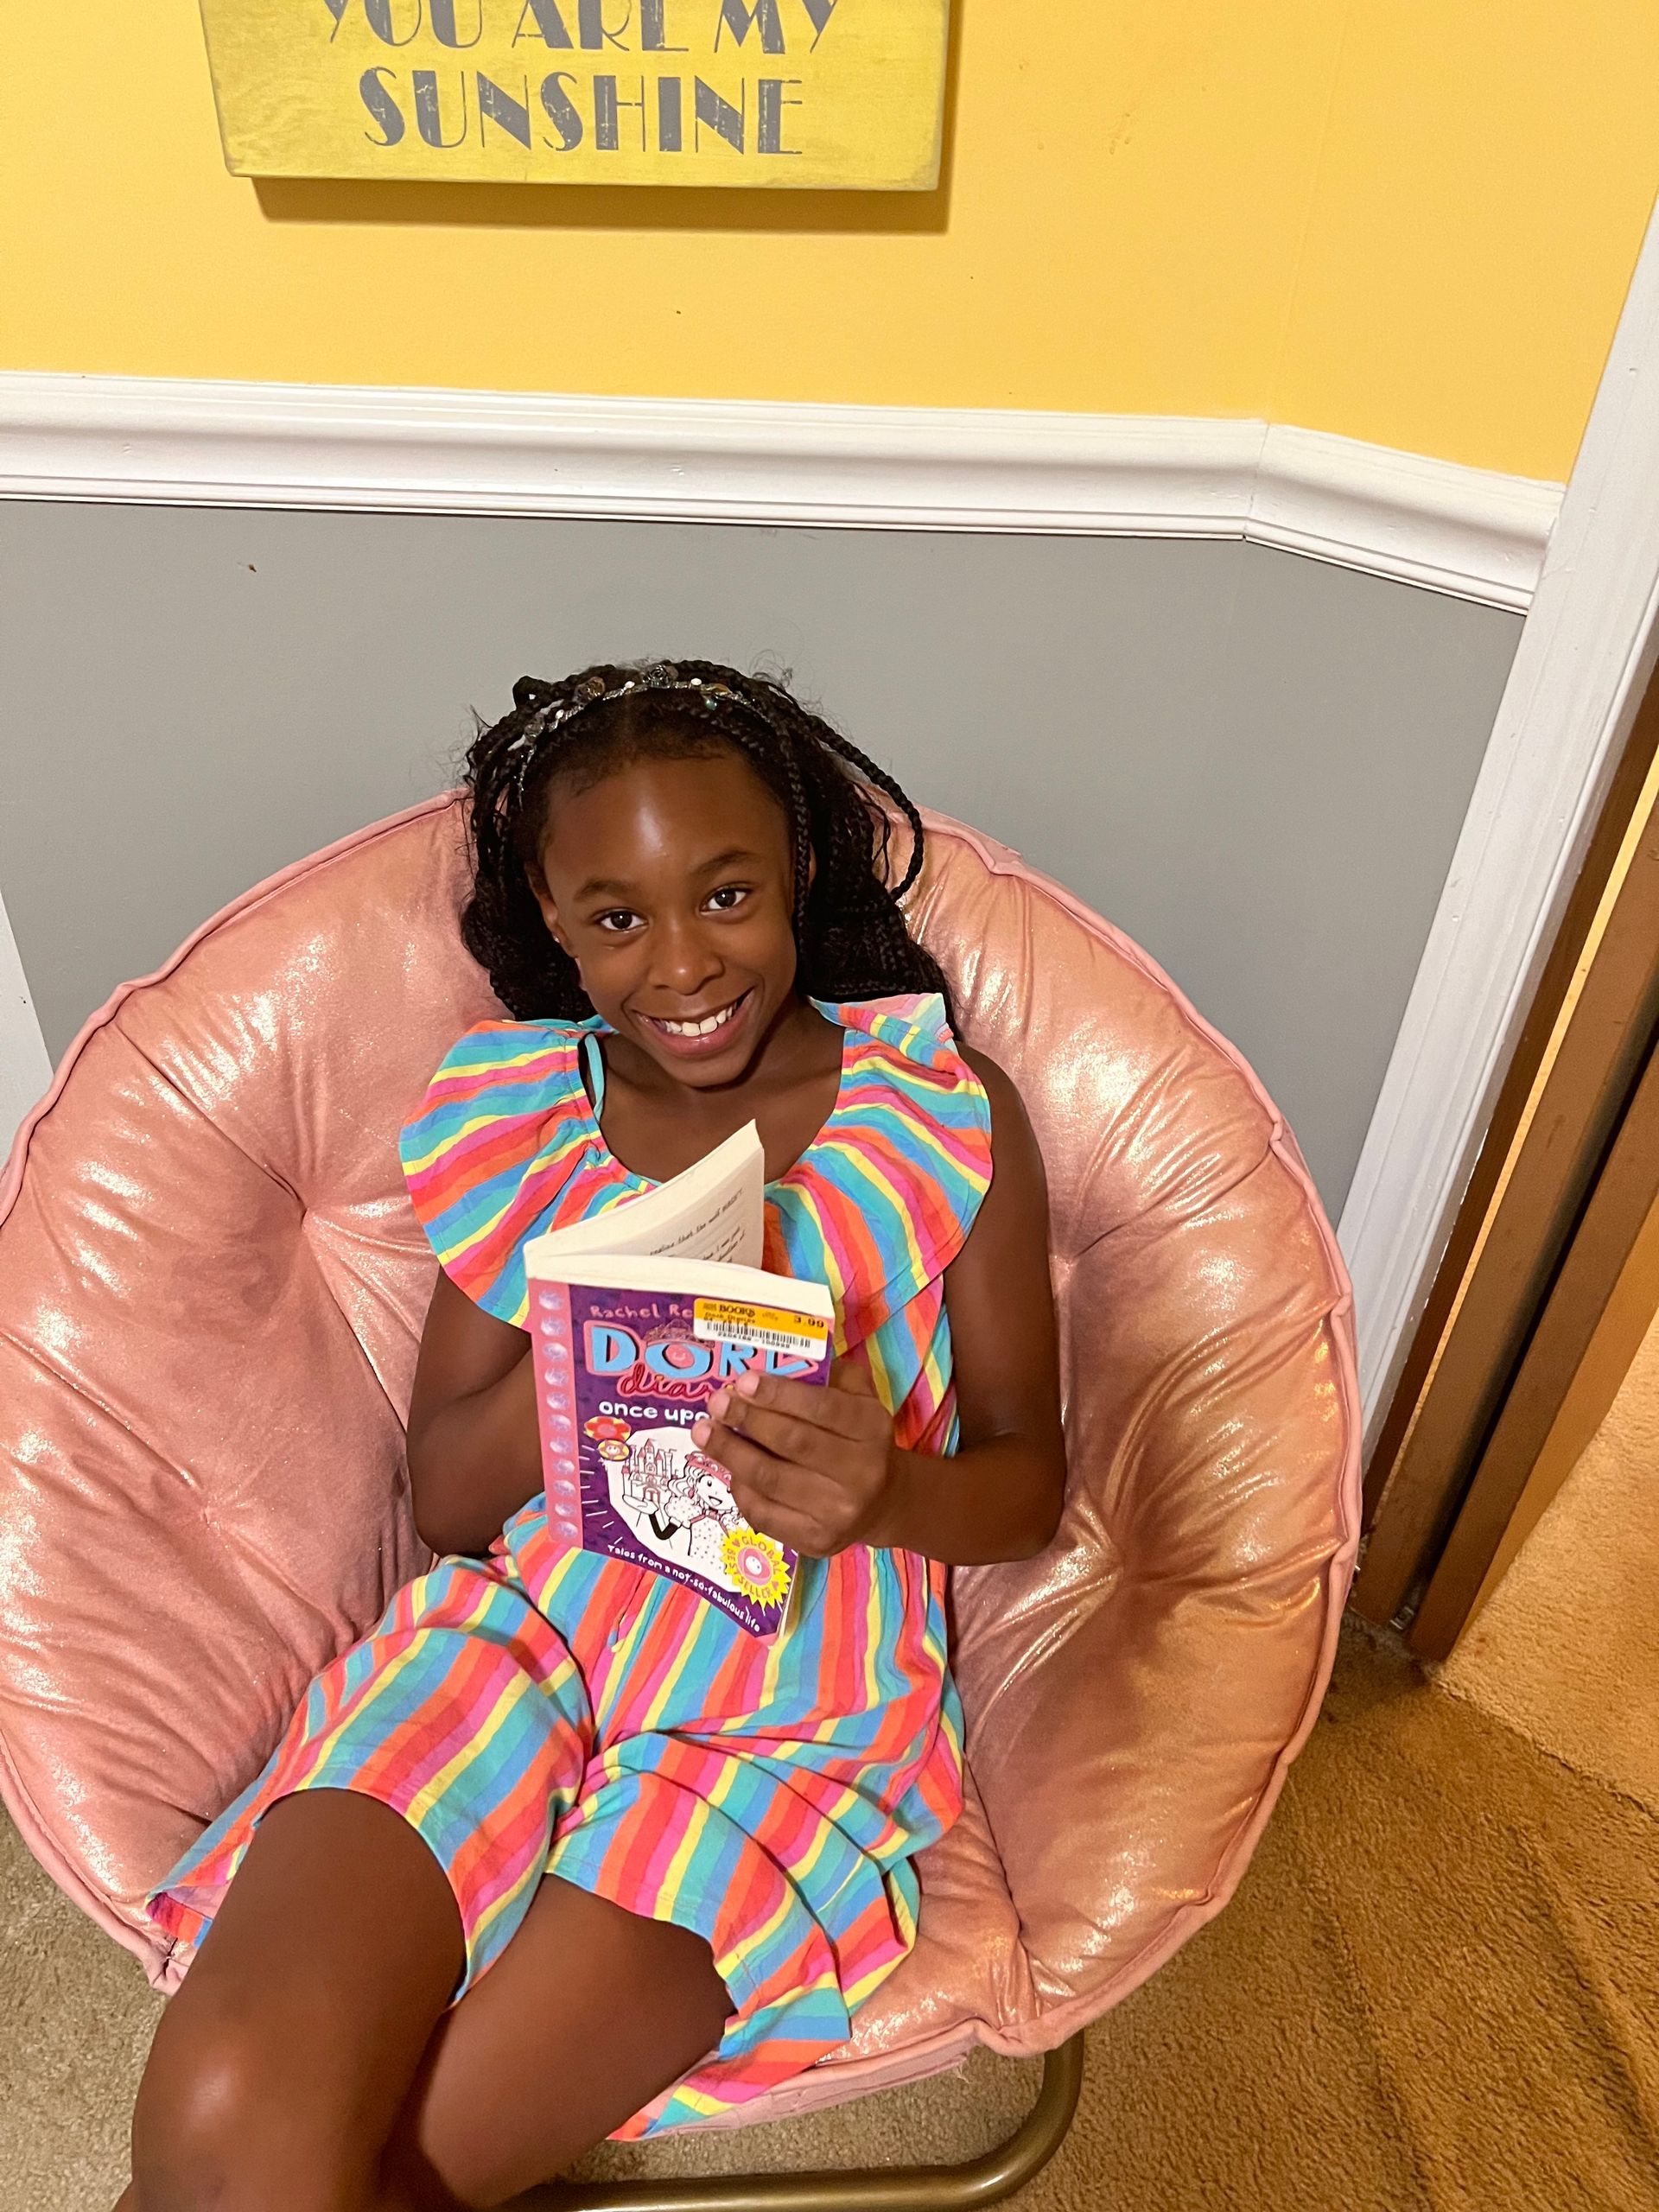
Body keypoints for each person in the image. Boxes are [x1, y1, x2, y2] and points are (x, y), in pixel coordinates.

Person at [124, 659, 1066, 2212]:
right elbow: (445, 1495)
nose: (684, 963)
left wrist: (887, 1487)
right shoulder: (521, 1117)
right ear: (555, 923)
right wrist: (613, 1332)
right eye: (618, 917)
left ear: (800, 875)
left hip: (785, 1720)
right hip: (524, 1635)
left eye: (727, 894)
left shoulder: (943, 1109)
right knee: (233, 2107)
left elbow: (1027, 1485)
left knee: (399, 2166)